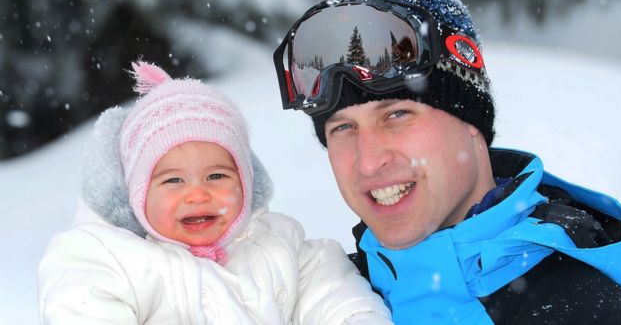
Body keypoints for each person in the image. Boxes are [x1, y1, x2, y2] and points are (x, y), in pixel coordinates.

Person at [273, 0, 621, 324]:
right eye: (343, 128)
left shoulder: (590, 309)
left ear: (471, 120)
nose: (368, 162)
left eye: (397, 114)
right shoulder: (321, 300)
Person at [38, 61, 392, 324]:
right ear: (137, 193)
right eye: (173, 180)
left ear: (245, 182)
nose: (197, 195)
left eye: (217, 175)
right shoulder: (105, 257)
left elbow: (337, 299)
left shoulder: (283, 247)